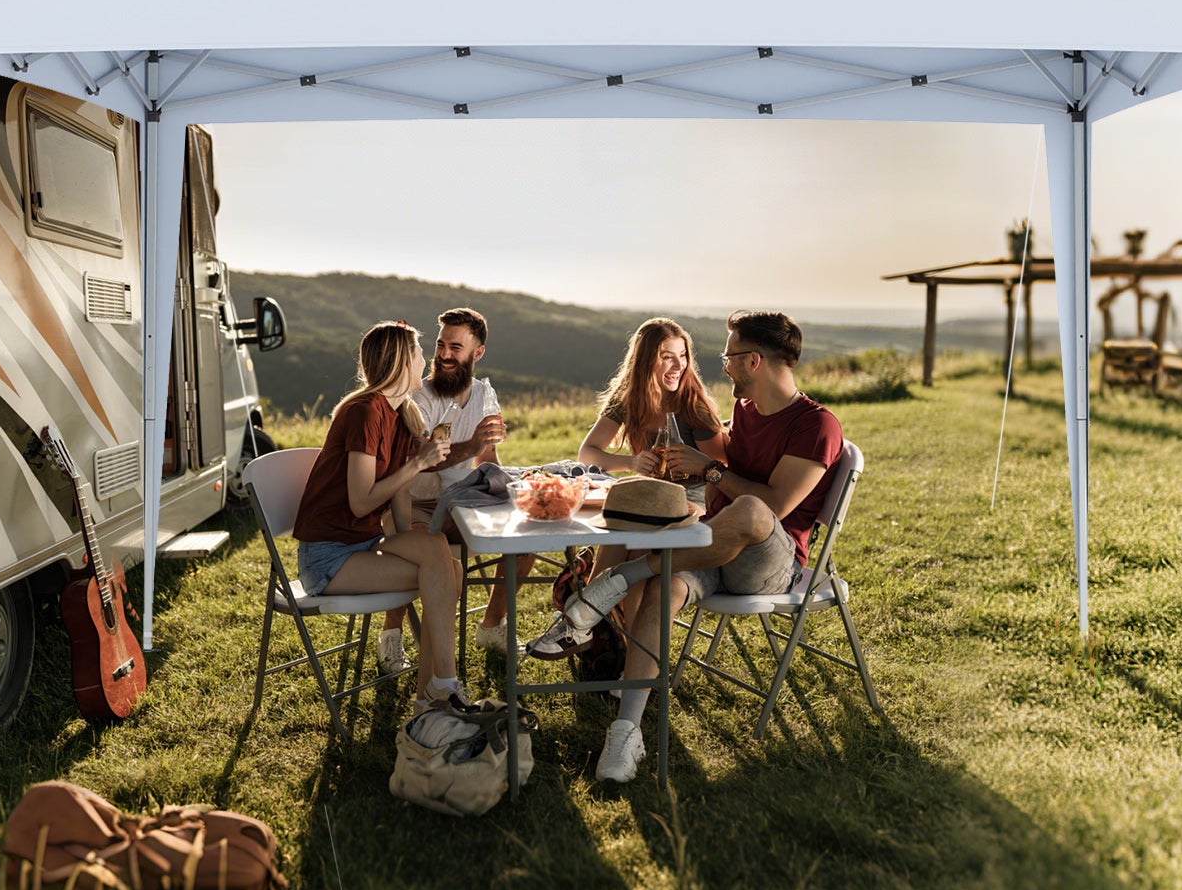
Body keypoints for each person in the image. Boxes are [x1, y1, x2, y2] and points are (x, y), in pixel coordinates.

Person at [539, 310, 844, 783]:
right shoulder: (743, 412)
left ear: (755, 361)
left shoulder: (816, 425)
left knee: (749, 511)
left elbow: (775, 507)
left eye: (729, 356)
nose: (722, 365)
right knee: (665, 585)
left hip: (769, 561)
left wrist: (710, 470)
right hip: (712, 548)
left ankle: (614, 584)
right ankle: (626, 730)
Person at [291, 320, 465, 710]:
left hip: (364, 544)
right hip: (328, 557)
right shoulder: (364, 412)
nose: (427, 360)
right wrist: (418, 464)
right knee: (441, 572)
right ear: (402, 361)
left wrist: (411, 542)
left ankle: (434, 693)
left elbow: (399, 491)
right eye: (420, 353)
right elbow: (361, 502)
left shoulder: (402, 413)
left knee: (440, 556)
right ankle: (442, 689)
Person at [375, 308, 509, 671]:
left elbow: (488, 457)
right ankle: (391, 635)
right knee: (417, 548)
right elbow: (419, 460)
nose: (445, 355)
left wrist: (498, 478)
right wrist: (470, 447)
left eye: (456, 347)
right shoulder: (419, 397)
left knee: (521, 537)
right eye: (440, 345)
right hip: (411, 502)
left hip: (459, 505)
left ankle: (492, 624)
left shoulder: (484, 395)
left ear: (476, 353)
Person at [578, 318, 727, 498]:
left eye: (682, 355)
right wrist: (632, 463)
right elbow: (586, 454)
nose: (680, 366)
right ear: (645, 361)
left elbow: (720, 469)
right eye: (667, 357)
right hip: (653, 491)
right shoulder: (628, 401)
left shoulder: (694, 407)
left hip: (696, 495)